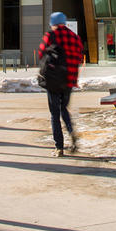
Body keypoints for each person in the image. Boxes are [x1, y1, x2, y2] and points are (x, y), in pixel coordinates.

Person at [35, 12, 86, 157]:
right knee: (64, 109)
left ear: (53, 23)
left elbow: (41, 53)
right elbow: (80, 57)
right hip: (69, 80)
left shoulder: (51, 35)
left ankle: (59, 147)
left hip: (53, 80)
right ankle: (72, 133)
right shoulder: (76, 38)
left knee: (54, 113)